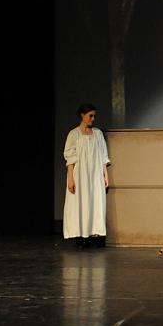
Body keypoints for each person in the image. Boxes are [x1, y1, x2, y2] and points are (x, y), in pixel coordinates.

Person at [63, 103, 110, 248]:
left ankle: (95, 235)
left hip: (95, 174)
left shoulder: (97, 133)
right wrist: (70, 179)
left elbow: (102, 155)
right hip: (80, 175)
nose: (93, 119)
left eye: (94, 116)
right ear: (82, 116)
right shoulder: (74, 134)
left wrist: (105, 175)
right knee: (80, 202)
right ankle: (81, 237)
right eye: (90, 116)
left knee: (95, 202)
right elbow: (70, 158)